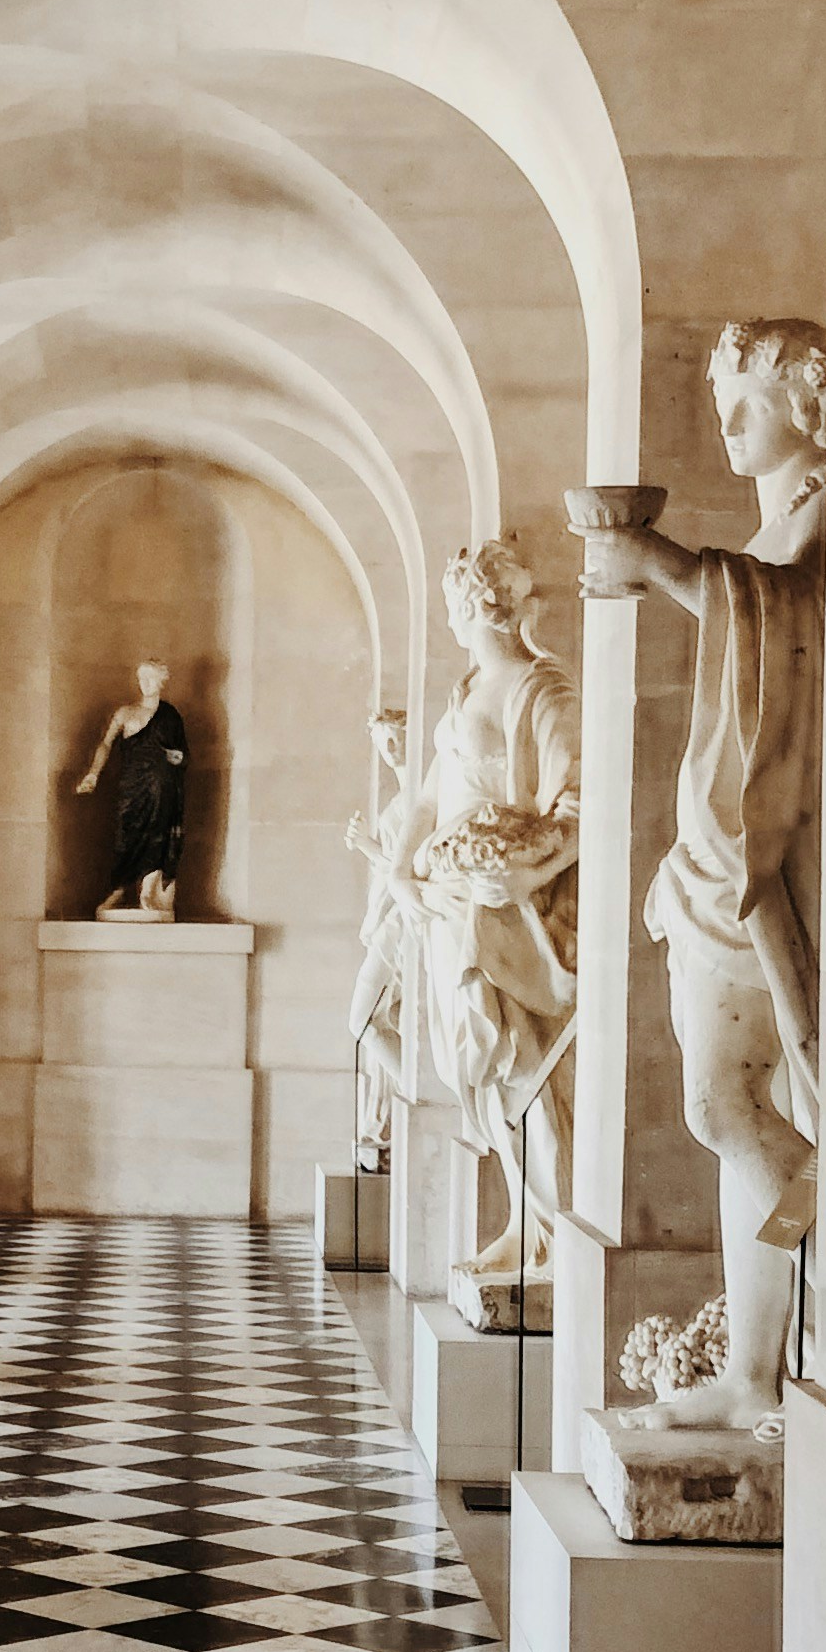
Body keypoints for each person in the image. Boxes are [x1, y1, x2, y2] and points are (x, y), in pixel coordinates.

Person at [580, 319, 826, 1432]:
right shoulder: (790, 517)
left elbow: (801, 629)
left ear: (807, 403)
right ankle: (757, 1362)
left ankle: (764, 1365)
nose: (726, 422)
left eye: (746, 400)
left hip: (775, 857)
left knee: (734, 1105)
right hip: (726, 857)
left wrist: (675, 568)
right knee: (725, 1105)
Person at [414, 540, 577, 1284]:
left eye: (456, 600)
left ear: (475, 606)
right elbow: (435, 798)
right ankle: (520, 1222)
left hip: (518, 913)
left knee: (527, 1075)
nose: (452, 614)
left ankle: (549, 1239)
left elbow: (580, 801)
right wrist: (414, 869)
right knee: (481, 1078)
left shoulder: (542, 690)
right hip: (457, 907)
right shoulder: (468, 689)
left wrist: (524, 876)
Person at [343, 704, 417, 1165]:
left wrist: (371, 848)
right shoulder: (402, 801)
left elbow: (415, 870)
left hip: (401, 927)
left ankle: (420, 1091)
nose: (388, 749)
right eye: (382, 741)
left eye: (394, 737)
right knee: (376, 1025)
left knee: (364, 1021)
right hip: (388, 923)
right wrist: (369, 849)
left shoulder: (420, 798)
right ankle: (384, 1125)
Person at [75, 661, 188, 918]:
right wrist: (93, 773)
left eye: (149, 678)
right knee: (126, 835)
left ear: (161, 681)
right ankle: (118, 889)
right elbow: (105, 744)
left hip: (162, 787)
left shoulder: (170, 716)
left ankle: (149, 890)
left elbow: (182, 756)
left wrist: (172, 757)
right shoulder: (125, 713)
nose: (144, 683)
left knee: (158, 834)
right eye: (141, 678)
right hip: (132, 786)